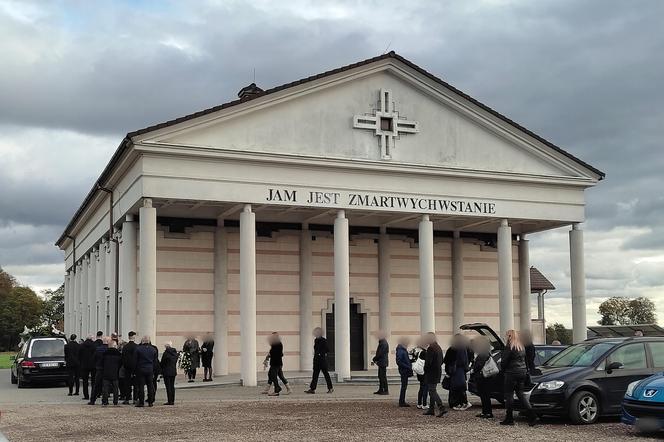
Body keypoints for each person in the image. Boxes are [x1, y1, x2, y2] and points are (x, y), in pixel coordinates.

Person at [500, 330, 536, 426]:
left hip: (511, 373)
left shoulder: (509, 347)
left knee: (509, 395)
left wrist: (502, 368)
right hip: (522, 372)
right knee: (521, 394)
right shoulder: (521, 346)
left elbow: (504, 362)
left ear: (509, 336)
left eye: (506, 336)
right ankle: (532, 415)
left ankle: (509, 418)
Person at [422, 332, 447, 417]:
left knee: (432, 391)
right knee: (432, 390)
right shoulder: (438, 347)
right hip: (437, 371)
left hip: (431, 373)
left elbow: (428, 362)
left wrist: (425, 370)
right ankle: (431, 409)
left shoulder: (431, 348)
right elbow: (442, 360)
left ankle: (441, 407)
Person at [470, 336, 495, 419]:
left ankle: (487, 412)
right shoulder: (487, 351)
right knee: (485, 395)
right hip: (485, 376)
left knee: (485, 395)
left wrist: (473, 369)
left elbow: (479, 365)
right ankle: (486, 412)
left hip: (483, 377)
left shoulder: (483, 353)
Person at [444, 334, 470, 411]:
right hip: (459, 370)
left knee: (456, 387)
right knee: (459, 387)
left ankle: (457, 403)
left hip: (456, 370)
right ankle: (459, 403)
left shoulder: (454, 349)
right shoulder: (463, 348)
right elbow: (465, 361)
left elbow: (447, 360)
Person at [305, 327, 334, 394]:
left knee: (326, 374)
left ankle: (330, 388)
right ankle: (312, 389)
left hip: (322, 360)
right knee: (315, 375)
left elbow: (327, 349)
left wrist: (320, 353)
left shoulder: (324, 340)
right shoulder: (316, 340)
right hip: (316, 360)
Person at [134, 335, 157, 407]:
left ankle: (141, 402)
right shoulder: (153, 349)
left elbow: (135, 361)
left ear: (142, 341)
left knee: (141, 386)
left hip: (140, 369)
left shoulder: (138, 349)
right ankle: (150, 401)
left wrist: (134, 370)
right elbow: (155, 361)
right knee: (150, 385)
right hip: (150, 369)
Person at [88, 336, 108, 405]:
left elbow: (93, 358)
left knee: (96, 385)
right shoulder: (109, 350)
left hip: (99, 369)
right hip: (106, 369)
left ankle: (92, 400)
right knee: (105, 385)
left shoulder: (98, 349)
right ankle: (105, 400)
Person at [101, 340, 122, 406]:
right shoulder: (118, 354)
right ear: (115, 346)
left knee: (105, 388)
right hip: (115, 373)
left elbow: (101, 363)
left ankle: (105, 401)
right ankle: (115, 401)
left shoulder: (104, 354)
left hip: (106, 372)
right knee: (115, 388)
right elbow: (120, 364)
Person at [409, 337, 428, 409]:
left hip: (418, 371)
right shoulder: (424, 352)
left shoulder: (414, 350)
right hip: (424, 372)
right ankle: (424, 404)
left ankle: (419, 403)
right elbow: (427, 363)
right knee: (425, 387)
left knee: (421, 387)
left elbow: (410, 359)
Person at [121, 331, 137, 404]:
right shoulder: (137, 346)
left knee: (127, 384)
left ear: (128, 337)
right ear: (134, 337)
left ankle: (127, 398)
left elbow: (123, 357)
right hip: (135, 368)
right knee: (136, 384)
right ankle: (135, 399)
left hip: (127, 367)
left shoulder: (125, 347)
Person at [395, 336, 413, 407]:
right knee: (404, 386)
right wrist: (408, 366)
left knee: (404, 386)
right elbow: (399, 361)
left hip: (405, 370)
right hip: (404, 370)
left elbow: (405, 360)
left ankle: (402, 401)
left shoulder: (403, 350)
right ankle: (401, 401)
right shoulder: (401, 350)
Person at [371, 330, 389, 395]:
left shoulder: (383, 343)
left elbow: (380, 353)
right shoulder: (382, 342)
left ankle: (385, 390)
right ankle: (381, 389)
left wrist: (375, 358)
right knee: (380, 376)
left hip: (382, 362)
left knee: (383, 377)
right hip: (381, 362)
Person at [78, 335, 96, 400]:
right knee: (93, 381)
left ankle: (86, 395)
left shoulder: (82, 346)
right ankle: (93, 395)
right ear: (91, 339)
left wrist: (81, 363)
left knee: (85, 381)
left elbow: (79, 355)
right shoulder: (94, 346)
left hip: (84, 365)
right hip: (93, 365)